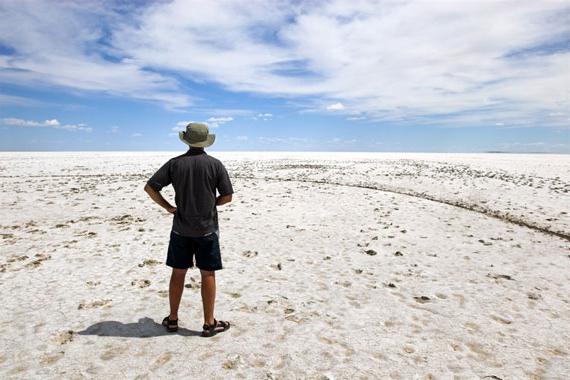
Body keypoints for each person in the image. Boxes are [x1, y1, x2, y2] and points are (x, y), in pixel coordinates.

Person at [144, 122, 233, 337]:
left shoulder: (175, 164)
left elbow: (150, 188)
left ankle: (173, 319)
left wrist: (168, 207)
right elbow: (227, 196)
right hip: (207, 229)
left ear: (186, 140)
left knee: (178, 272)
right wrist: (212, 204)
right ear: (205, 142)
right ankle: (209, 323)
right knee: (208, 274)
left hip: (181, 229)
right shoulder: (215, 164)